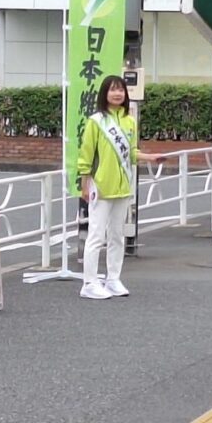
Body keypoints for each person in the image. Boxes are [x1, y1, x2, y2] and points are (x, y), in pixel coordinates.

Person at [77, 75, 164, 299]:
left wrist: (150, 157)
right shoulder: (96, 121)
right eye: (113, 90)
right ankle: (89, 282)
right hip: (101, 186)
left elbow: (131, 153)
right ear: (104, 94)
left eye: (121, 90)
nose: (117, 94)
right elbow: (86, 154)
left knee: (117, 236)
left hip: (123, 185)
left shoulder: (129, 121)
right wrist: (84, 183)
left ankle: (113, 278)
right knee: (96, 235)